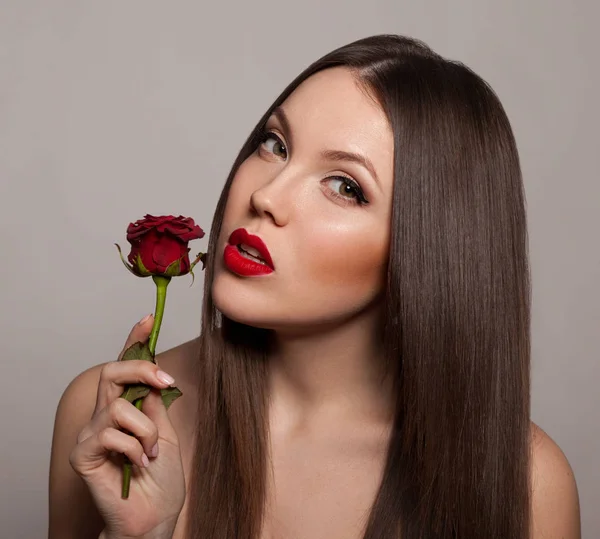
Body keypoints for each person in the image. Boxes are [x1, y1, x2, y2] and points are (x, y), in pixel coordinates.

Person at [48, 34, 581, 539]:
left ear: (430, 249)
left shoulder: (529, 484)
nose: (268, 196)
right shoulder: (113, 421)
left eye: (345, 186)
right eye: (275, 144)